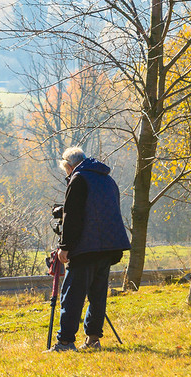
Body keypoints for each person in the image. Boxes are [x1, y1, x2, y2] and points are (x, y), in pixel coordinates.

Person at [49, 145, 131, 352]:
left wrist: (64, 247)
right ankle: (93, 339)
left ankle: (66, 342)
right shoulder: (107, 179)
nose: (66, 174)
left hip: (86, 247)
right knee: (97, 295)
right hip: (108, 247)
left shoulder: (79, 179)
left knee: (72, 296)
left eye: (65, 171)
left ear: (69, 166)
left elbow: (73, 216)